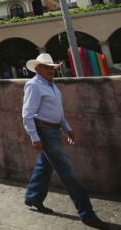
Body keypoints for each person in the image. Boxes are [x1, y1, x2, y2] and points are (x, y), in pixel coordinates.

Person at [21, 53, 108, 229]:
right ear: (37, 69)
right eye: (47, 67)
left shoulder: (52, 86)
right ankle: (87, 214)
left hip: (53, 131)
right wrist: (34, 138)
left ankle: (33, 197)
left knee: (44, 166)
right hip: (44, 131)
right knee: (68, 173)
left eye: (52, 67)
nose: (50, 70)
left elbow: (58, 113)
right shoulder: (34, 85)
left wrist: (67, 128)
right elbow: (27, 114)